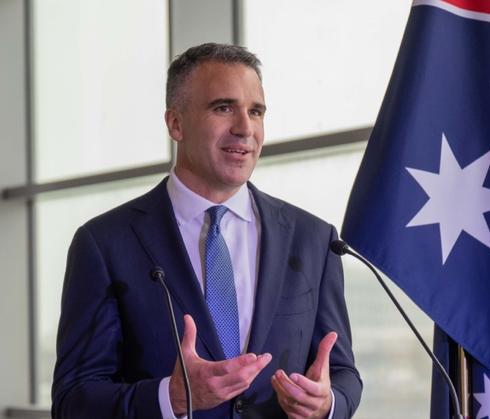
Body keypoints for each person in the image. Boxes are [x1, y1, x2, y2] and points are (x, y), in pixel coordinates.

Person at [52, 43, 362, 419]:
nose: (245, 128)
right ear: (176, 124)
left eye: (256, 111)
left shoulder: (314, 238)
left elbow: (343, 373)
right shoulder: (105, 244)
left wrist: (326, 403)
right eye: (223, 108)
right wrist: (170, 398)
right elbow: (74, 400)